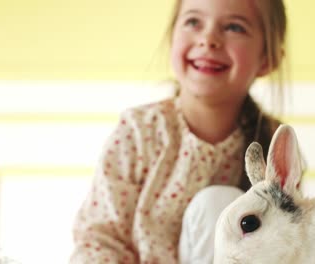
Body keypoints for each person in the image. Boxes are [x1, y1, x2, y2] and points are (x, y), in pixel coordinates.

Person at [70, 0, 287, 263]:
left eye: (233, 27)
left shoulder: (273, 143)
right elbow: (101, 238)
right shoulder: (140, 132)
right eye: (193, 22)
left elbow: (287, 241)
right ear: (171, 38)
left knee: (221, 204)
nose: (208, 39)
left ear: (268, 58)